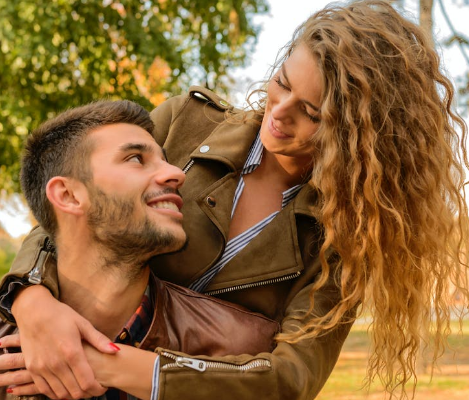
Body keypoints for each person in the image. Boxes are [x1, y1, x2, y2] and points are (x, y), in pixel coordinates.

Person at [0, 1, 469, 399]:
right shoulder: (185, 123)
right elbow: (70, 205)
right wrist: (30, 300)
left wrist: (112, 365)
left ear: (360, 137)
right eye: (283, 83)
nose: (279, 112)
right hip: (52, 364)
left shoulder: (343, 243)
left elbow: (288, 380)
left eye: (311, 113)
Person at [0, 100, 279, 400]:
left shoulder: (243, 350)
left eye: (166, 160)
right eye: (135, 159)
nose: (177, 174)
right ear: (68, 195)